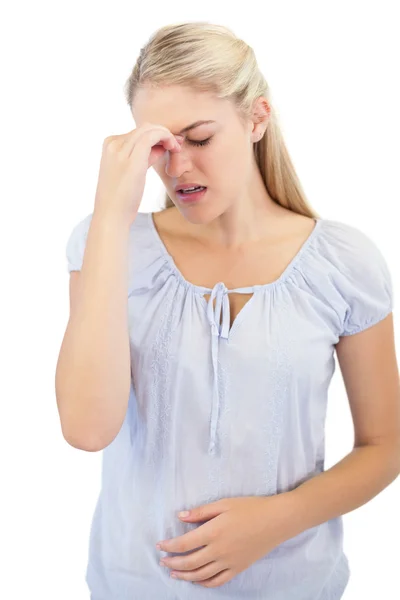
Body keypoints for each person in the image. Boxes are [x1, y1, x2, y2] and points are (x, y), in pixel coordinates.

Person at [56, 21, 396, 600]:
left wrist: (276, 520)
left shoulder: (343, 262)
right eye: (158, 145)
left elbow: (386, 446)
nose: (177, 166)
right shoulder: (108, 245)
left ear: (257, 118)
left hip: (292, 586)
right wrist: (110, 218)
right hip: (134, 585)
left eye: (200, 138)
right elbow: (88, 429)